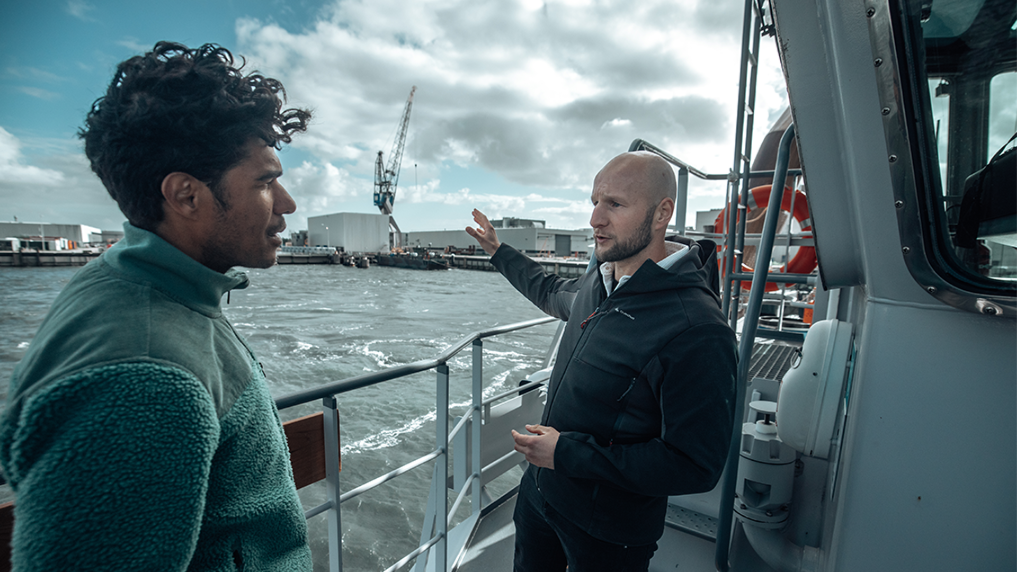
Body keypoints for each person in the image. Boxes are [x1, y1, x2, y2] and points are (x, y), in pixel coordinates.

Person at [0, 42, 313, 570]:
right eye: (264, 181)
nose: (287, 204)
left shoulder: (142, 285)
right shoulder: (143, 380)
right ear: (186, 196)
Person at [466, 151, 737, 572]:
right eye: (595, 201)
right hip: (540, 494)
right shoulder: (600, 281)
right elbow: (549, 289)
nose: (595, 218)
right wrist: (500, 252)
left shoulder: (697, 328)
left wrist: (567, 453)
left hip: (609, 531)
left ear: (662, 212)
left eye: (614, 204)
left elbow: (695, 466)